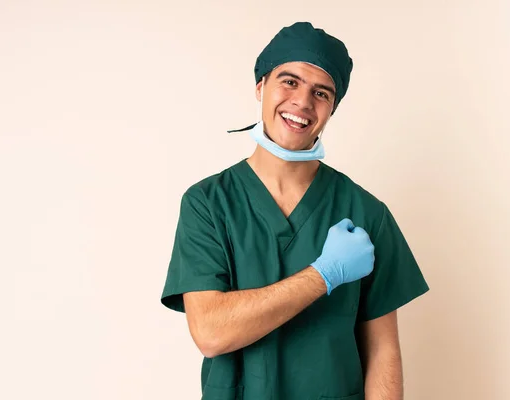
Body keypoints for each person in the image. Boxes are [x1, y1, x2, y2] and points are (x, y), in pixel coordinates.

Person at [161, 21, 429, 400]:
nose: (303, 102)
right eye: (289, 82)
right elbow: (211, 332)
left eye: (321, 92)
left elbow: (383, 350)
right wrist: (324, 274)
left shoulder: (366, 214)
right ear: (260, 87)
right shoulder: (208, 204)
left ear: (332, 108)